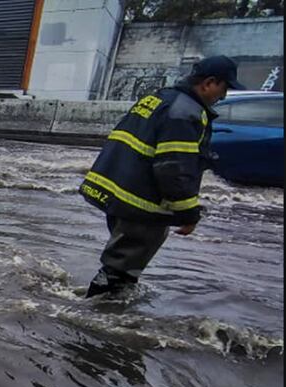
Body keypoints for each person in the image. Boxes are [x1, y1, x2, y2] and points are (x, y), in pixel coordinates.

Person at [80, 56, 243, 298]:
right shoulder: (186, 112)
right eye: (224, 88)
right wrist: (188, 214)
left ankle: (104, 311)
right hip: (141, 203)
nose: (224, 96)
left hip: (118, 195)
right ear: (209, 83)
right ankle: (90, 320)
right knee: (119, 270)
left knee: (121, 264)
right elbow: (175, 168)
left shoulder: (158, 99)